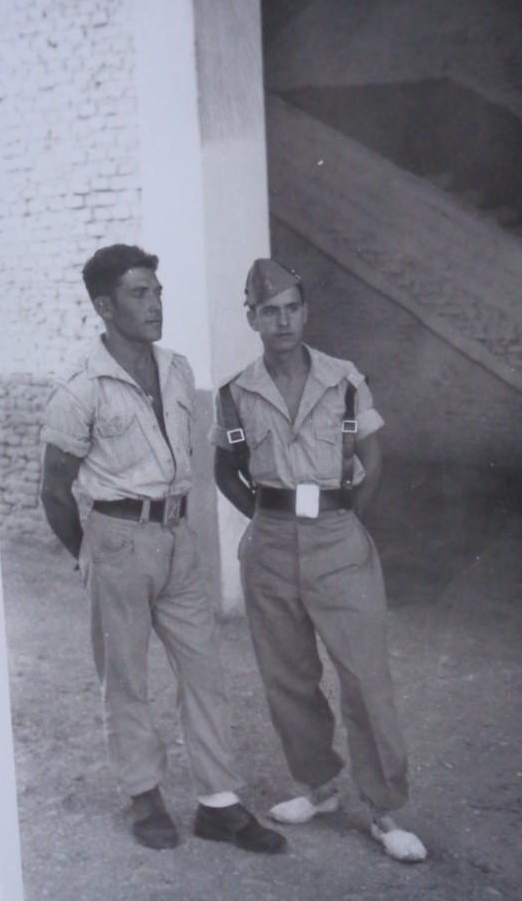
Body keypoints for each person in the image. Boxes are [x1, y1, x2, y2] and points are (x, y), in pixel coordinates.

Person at [40, 243, 285, 855]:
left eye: (157, 292)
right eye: (138, 294)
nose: (154, 305)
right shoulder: (79, 388)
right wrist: (90, 554)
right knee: (126, 678)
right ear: (104, 305)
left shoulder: (176, 369)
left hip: (178, 538)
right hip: (117, 539)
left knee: (204, 668)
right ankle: (144, 795)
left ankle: (218, 803)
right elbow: (54, 488)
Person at [212, 258, 426, 863]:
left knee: (365, 676)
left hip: (338, 537)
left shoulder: (345, 381)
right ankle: (319, 787)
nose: (282, 321)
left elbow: (372, 458)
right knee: (288, 677)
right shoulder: (235, 394)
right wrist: (264, 517)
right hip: (272, 542)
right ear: (251, 317)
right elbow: (224, 469)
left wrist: (345, 517)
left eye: (291, 309)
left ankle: (385, 811)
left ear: (305, 312)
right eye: (268, 311)